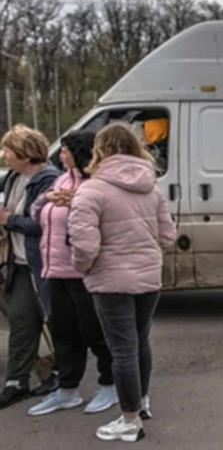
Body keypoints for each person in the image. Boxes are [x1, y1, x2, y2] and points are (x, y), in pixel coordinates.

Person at [68, 122, 176, 442]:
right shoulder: (151, 188)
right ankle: (141, 403)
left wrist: (83, 268)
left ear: (99, 150)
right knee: (140, 341)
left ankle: (129, 421)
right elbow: (168, 236)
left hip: (110, 279)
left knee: (123, 350)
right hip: (148, 276)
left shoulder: (91, 190)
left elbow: (84, 245)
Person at [26, 130, 118, 416]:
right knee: (64, 333)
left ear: (79, 152)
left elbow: (103, 218)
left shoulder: (96, 183)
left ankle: (110, 384)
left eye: (65, 150)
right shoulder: (61, 180)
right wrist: (47, 198)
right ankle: (67, 390)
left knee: (95, 332)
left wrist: (75, 202)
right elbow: (35, 214)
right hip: (55, 270)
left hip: (84, 272)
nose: (60, 154)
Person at [0, 124, 61, 409]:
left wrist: (10, 221)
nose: (4, 155)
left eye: (8, 150)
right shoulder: (13, 177)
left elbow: (43, 223)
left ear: (25, 154)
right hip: (20, 264)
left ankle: (61, 375)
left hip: (46, 263)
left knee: (57, 321)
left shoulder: (50, 179)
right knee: (22, 321)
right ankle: (17, 381)